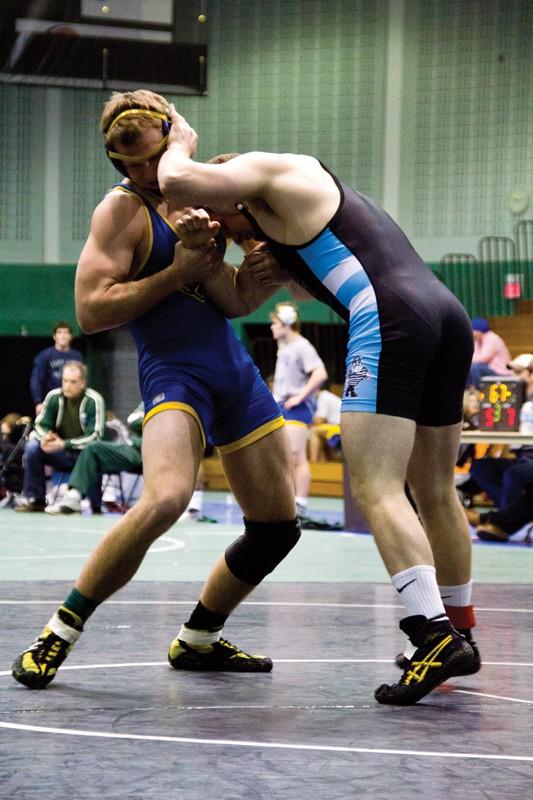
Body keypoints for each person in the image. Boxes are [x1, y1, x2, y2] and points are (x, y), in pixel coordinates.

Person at [156, 108, 481, 705]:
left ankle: (431, 635)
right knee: (434, 491)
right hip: (444, 313)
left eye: (224, 219)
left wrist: (178, 143)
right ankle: (456, 628)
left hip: (388, 316)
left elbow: (177, 180)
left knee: (378, 486)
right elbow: (296, 282)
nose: (226, 230)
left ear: (231, 187)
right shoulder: (300, 211)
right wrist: (261, 266)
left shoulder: (272, 171)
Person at [11, 90, 299, 691]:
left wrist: (256, 279)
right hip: (174, 374)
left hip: (233, 372)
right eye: (131, 164)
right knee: (166, 498)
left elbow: (233, 301)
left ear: (173, 138)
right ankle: (58, 632)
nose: (145, 172)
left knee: (276, 527)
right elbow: (90, 312)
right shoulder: (120, 214)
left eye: (153, 156)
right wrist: (177, 270)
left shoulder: (204, 190)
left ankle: (199, 638)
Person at [15, 361, 106, 512]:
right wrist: (47, 439)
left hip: (85, 456)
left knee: (93, 452)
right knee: (33, 447)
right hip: (60, 453)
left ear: (83, 383)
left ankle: (94, 506)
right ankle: (36, 499)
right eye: (65, 381)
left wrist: (64, 444)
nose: (67, 386)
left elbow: (95, 436)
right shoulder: (53, 397)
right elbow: (40, 425)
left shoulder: (94, 400)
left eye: (73, 382)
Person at [270, 302, 328, 515]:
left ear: (287, 323)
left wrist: (300, 396)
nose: (272, 327)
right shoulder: (284, 347)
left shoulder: (302, 346)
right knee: (283, 457)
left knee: (296, 455)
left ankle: (301, 504)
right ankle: (287, 502)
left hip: (297, 406)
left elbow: (320, 374)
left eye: (275, 323)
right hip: (281, 405)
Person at [466, 354, 533, 537]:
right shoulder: (515, 401)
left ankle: (499, 520)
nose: (516, 377)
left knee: (516, 473)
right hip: (523, 458)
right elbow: (495, 424)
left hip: (528, 462)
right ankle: (502, 517)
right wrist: (473, 414)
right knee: (481, 467)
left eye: (521, 372)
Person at [45, 403, 145, 515]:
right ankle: (73, 497)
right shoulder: (151, 395)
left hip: (160, 455)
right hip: (135, 451)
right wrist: (154, 420)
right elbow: (133, 420)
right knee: (93, 448)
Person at [30, 321, 84, 416]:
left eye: (66, 332)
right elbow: (36, 379)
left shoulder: (77, 356)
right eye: (59, 332)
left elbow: (82, 379)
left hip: (72, 403)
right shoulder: (45, 356)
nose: (63, 336)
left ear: (71, 336)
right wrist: (38, 402)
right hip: (51, 402)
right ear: (54, 336)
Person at [466, 318, 512, 388]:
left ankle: (475, 390)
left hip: (500, 371)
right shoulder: (478, 340)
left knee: (474, 368)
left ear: (478, 331)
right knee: (468, 367)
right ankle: (465, 391)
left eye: (472, 330)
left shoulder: (492, 338)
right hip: (488, 368)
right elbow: (472, 355)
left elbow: (483, 358)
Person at [309, 386, 342, 462]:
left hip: (340, 428)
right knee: (319, 433)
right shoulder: (324, 396)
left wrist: (303, 419)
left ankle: (313, 463)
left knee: (314, 431)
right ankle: (322, 466)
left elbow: (320, 420)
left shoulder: (323, 396)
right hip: (337, 426)